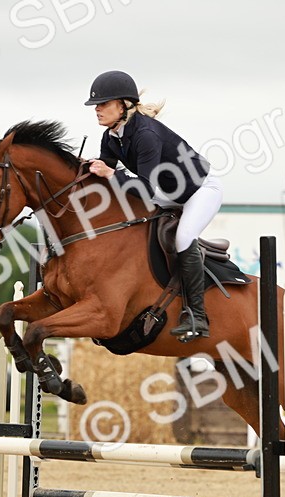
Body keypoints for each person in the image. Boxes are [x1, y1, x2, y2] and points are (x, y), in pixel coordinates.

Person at [84, 70, 220, 342]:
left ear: (123, 105)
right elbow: (108, 177)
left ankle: (198, 316)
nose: (97, 109)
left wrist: (110, 174)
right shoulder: (111, 136)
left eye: (103, 104)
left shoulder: (146, 134)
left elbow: (142, 188)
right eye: (95, 105)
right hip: (167, 192)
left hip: (200, 191)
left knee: (182, 237)